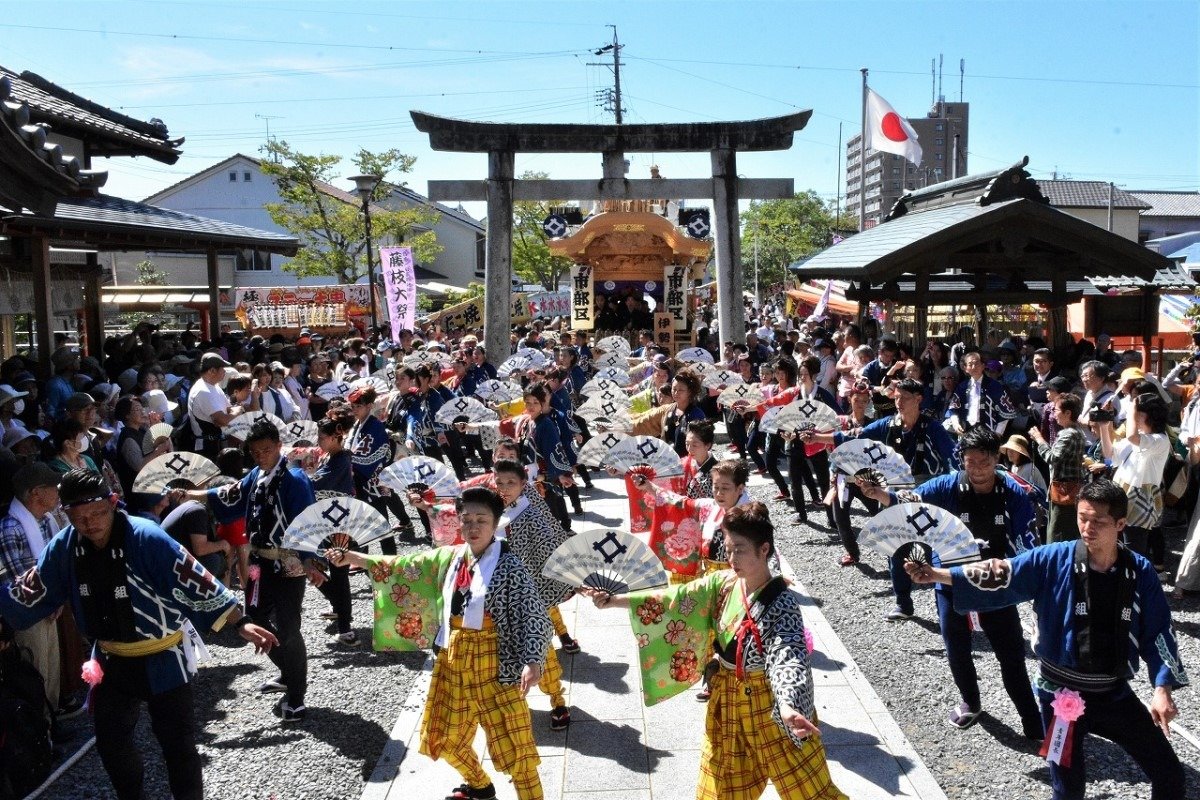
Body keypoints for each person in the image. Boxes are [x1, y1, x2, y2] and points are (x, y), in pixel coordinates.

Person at [0, 469, 277, 800]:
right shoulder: (66, 546)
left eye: (98, 513)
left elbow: (194, 580)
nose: (90, 524)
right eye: (79, 517)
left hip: (163, 655)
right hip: (110, 658)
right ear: (67, 515)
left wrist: (239, 621)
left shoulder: (146, 537)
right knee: (111, 743)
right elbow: (34, 588)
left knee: (179, 746)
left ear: (113, 503)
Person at [905, 480, 1187, 800]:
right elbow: (1002, 573)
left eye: (1099, 521)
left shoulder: (1140, 571)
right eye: (1082, 517)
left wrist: (1162, 688)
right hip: (1060, 695)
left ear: (1121, 524)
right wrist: (939, 575)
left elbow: (1160, 631)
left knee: (1170, 774)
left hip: (1113, 692)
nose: (1087, 527)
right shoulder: (1053, 559)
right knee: (1067, 788)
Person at [580, 503, 847, 800]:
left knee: (810, 792)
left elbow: (788, 656)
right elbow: (673, 598)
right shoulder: (723, 583)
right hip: (728, 699)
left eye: (740, 550)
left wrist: (790, 704)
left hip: (770, 705)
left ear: (764, 549)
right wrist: (615, 600)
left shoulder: (781, 604)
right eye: (729, 549)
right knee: (721, 789)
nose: (731, 558)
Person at [329, 487, 552, 800]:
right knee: (444, 737)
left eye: (481, 520)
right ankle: (480, 786)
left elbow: (534, 617)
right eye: (467, 520)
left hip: (497, 663)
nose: (473, 527)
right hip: (453, 657)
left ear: (496, 523)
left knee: (517, 753)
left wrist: (533, 660)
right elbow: (405, 566)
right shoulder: (451, 557)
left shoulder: (510, 567)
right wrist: (354, 557)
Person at [861, 427, 1043, 737]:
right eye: (970, 462)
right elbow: (912, 500)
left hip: (995, 580)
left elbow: (1029, 544)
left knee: (1011, 653)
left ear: (997, 458)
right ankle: (971, 702)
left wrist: (1032, 583)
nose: (977, 470)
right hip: (949, 576)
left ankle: (1031, 717)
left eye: (985, 462)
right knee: (956, 647)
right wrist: (880, 494)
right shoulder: (948, 485)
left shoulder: (1013, 493)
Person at [172, 419, 319, 724]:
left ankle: (297, 696)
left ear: (279, 446)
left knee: (289, 628)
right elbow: (230, 493)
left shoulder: (295, 479)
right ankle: (287, 671)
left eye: (266, 450)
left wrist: (311, 560)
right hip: (256, 563)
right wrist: (192, 495)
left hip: (288, 562)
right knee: (254, 617)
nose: (261, 456)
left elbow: (309, 522)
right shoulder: (257, 474)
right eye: (255, 452)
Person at [810, 378, 958, 569]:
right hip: (896, 486)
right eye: (897, 398)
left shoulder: (932, 427)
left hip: (926, 485)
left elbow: (953, 455)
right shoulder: (888, 424)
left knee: (926, 534)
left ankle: (932, 570)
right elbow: (856, 435)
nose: (899, 403)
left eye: (905, 398)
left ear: (918, 399)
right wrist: (817, 437)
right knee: (893, 536)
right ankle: (898, 575)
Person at [0, 463, 67, 716]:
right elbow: (15, 581)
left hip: (49, 606)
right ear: (36, 493)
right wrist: (47, 602)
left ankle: (50, 726)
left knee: (51, 670)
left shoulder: (46, 521)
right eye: (52, 486)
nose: (58, 491)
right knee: (37, 671)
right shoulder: (10, 528)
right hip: (28, 615)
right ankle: (40, 730)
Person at [1098, 393, 1170, 570]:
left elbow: (1132, 437)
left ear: (1149, 416)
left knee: (1134, 549)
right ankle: (1122, 585)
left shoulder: (1160, 440)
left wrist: (1131, 408)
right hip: (1121, 495)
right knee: (1117, 545)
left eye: (1138, 413)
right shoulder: (1138, 440)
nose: (1134, 417)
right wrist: (1104, 426)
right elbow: (1109, 454)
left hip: (1140, 501)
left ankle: (1137, 589)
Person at [311, 410, 360, 647]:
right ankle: (341, 610)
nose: (318, 442)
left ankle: (345, 626)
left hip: (341, 523)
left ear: (334, 437)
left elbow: (316, 482)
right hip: (329, 521)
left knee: (339, 574)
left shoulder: (341, 460)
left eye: (321, 437)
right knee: (324, 569)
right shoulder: (330, 457)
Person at [1029, 394, 1087, 543]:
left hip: (1065, 492)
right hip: (1067, 490)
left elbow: (1052, 458)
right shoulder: (1076, 432)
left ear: (1068, 413)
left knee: (1057, 534)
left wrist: (1039, 439)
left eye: (1056, 410)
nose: (1053, 414)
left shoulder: (1069, 435)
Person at [944, 351, 1016, 436]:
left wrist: (998, 433)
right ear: (965, 368)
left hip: (989, 431)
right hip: (967, 432)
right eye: (970, 364)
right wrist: (955, 424)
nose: (973, 367)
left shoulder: (994, 386)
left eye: (976, 364)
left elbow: (1006, 413)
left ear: (983, 366)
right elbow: (953, 409)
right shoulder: (962, 387)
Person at [187, 353, 243, 458]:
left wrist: (232, 414)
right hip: (207, 448)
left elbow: (228, 409)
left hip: (218, 444)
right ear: (212, 371)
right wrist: (238, 411)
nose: (225, 371)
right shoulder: (202, 391)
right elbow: (222, 420)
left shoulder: (214, 386)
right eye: (222, 368)